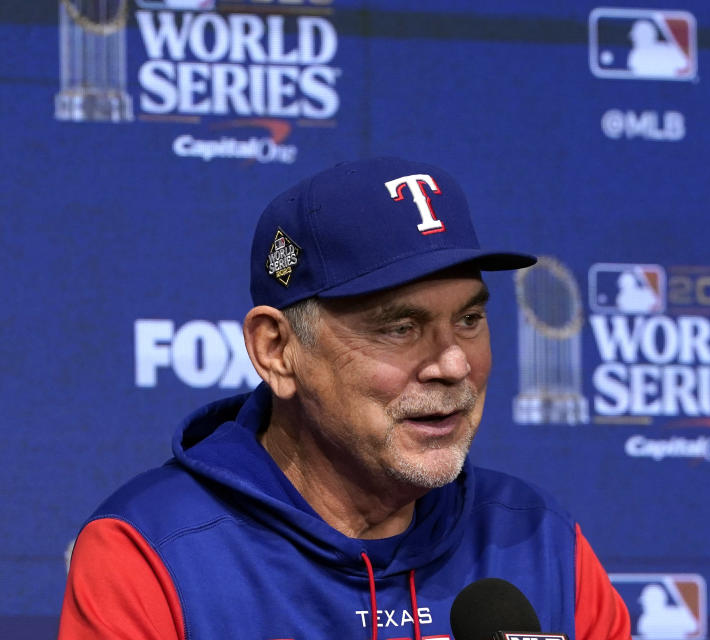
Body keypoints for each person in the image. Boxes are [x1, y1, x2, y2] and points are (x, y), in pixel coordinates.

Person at [58, 157, 631, 640]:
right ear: (277, 349)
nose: (453, 363)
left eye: (470, 318)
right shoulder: (150, 554)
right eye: (400, 327)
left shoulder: (541, 540)